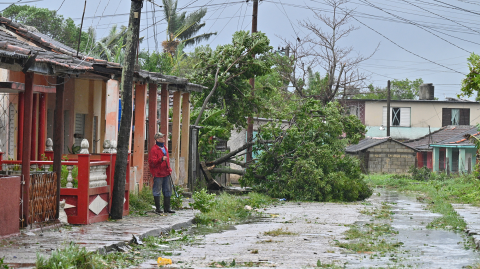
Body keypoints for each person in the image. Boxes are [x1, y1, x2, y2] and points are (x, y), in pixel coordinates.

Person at [148, 132, 175, 214]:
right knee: (157, 190)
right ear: (157, 139)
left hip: (166, 172)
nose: (163, 139)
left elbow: (168, 161)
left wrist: (169, 169)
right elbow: (152, 162)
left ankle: (167, 208)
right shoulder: (154, 150)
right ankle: (158, 208)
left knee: (167, 190)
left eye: (163, 137)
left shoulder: (165, 148)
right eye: (161, 138)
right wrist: (161, 159)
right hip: (158, 173)